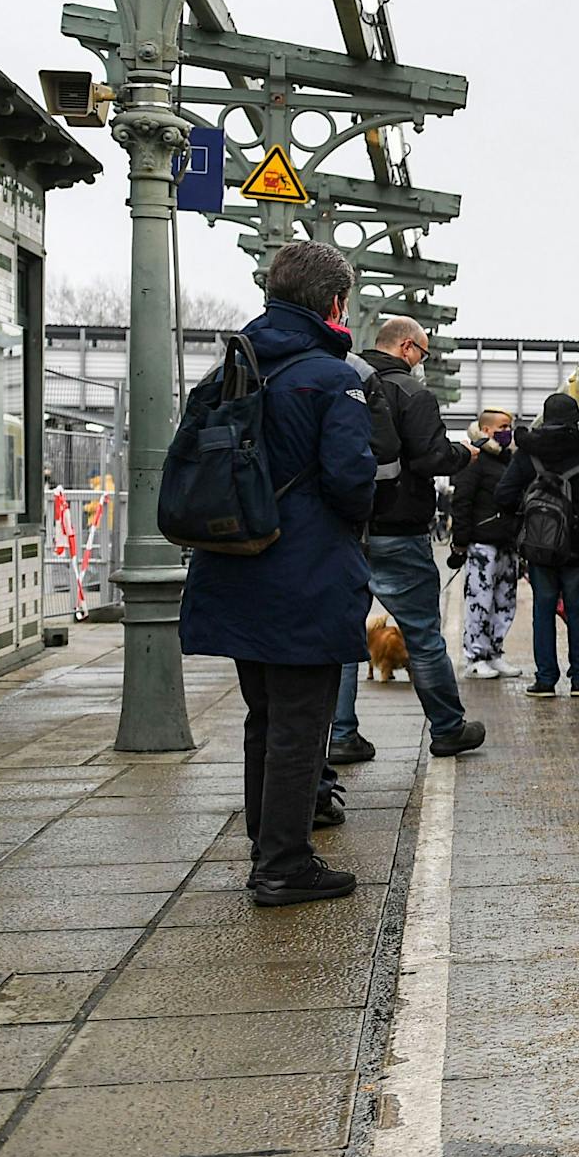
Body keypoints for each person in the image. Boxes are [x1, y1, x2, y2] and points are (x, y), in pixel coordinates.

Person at [178, 241, 373, 906]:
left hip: (234, 567)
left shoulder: (231, 368)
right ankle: (284, 865)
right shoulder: (331, 376)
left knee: (264, 720)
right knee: (299, 724)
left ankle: (268, 849)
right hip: (304, 573)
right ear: (335, 303)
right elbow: (352, 481)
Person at [334, 315, 486, 760]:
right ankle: (447, 728)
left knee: (343, 637)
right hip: (398, 529)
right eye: (422, 351)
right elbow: (431, 456)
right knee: (422, 634)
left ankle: (340, 736)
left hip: (346, 530)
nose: (422, 360)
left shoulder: (342, 379)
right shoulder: (411, 392)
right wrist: (464, 454)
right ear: (405, 347)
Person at [496, 391, 579, 697]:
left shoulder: (527, 454)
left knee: (543, 610)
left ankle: (545, 680)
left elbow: (503, 496)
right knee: (578, 611)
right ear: (575, 420)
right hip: (577, 546)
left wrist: (527, 520)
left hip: (540, 548)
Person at [447, 408, 523, 680]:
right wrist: (460, 542)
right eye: (503, 426)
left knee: (505, 601)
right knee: (480, 601)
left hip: (506, 542)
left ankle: (494, 652)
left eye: (510, 426)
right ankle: (475, 657)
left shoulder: (508, 460)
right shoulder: (474, 460)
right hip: (481, 544)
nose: (508, 431)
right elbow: (462, 502)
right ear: (487, 429)